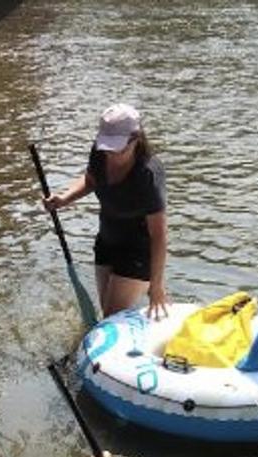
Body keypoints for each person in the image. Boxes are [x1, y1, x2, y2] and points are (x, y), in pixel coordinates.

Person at [42, 103, 170, 319]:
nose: (111, 154)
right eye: (107, 147)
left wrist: (156, 286)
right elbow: (91, 180)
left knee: (111, 316)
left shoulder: (148, 174)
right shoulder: (99, 153)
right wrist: (64, 199)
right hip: (107, 242)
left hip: (138, 252)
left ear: (136, 139)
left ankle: (151, 292)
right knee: (108, 314)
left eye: (118, 149)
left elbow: (159, 235)